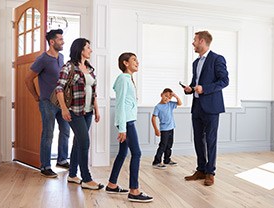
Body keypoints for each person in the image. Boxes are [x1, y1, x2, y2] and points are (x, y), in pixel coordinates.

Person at [55, 38, 104, 190]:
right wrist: (63, 109)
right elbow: (59, 89)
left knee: (78, 142)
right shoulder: (69, 67)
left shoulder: (90, 68)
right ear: (81, 49)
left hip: (88, 111)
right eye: (88, 47)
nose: (91, 50)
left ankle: (72, 175)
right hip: (74, 111)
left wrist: (96, 109)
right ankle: (86, 179)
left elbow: (93, 91)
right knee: (84, 142)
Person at [183, 31, 229, 186]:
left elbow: (224, 81)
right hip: (197, 107)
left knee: (210, 140)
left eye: (194, 40)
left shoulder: (217, 59)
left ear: (202, 41)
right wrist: (189, 89)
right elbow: (196, 82)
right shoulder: (195, 63)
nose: (193, 43)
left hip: (211, 107)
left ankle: (210, 172)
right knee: (198, 140)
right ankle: (201, 169)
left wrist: (205, 89)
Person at [106, 52, 153, 202]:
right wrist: (122, 128)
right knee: (137, 153)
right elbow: (119, 104)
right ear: (125, 63)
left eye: (137, 60)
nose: (137, 62)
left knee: (122, 153)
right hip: (126, 122)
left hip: (127, 121)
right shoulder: (123, 79)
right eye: (134, 60)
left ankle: (112, 184)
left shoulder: (128, 79)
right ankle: (134, 190)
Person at [25, 29, 70, 178]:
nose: (63, 42)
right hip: (47, 103)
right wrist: (36, 96)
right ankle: (45, 166)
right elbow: (28, 79)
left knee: (65, 131)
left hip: (62, 102)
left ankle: (62, 159)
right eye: (60, 39)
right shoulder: (42, 59)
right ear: (52, 42)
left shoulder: (62, 57)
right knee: (48, 134)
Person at [151, 88, 182, 169]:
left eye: (169, 97)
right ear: (161, 95)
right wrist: (156, 129)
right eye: (165, 96)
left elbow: (180, 103)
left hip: (171, 128)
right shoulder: (158, 107)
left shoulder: (170, 104)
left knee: (169, 145)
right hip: (164, 129)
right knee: (163, 145)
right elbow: (153, 118)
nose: (167, 98)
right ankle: (156, 162)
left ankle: (167, 160)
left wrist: (175, 96)